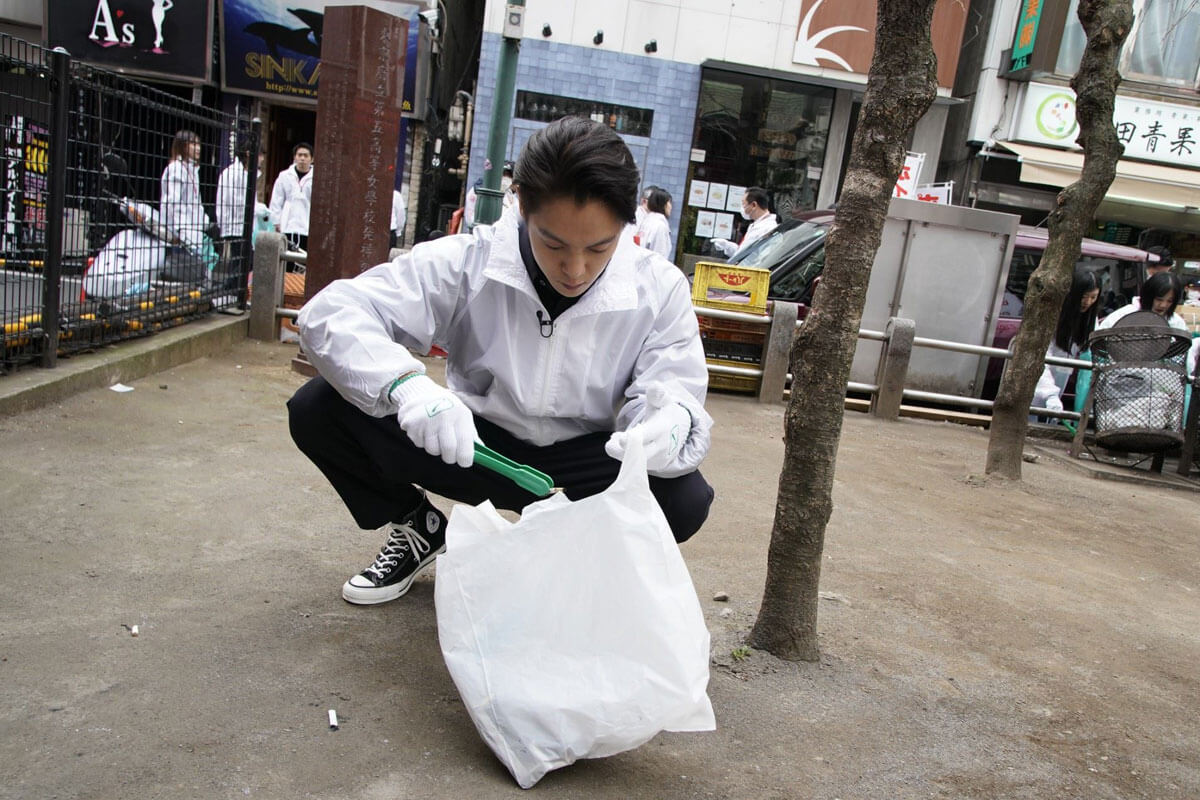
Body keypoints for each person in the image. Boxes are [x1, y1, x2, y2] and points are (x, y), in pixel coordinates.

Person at [288, 116, 714, 606]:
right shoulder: (471, 262)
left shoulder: (657, 287)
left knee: (683, 500)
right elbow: (331, 312)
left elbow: (674, 382)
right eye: (553, 243)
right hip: (475, 446)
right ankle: (418, 526)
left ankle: (574, 568)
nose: (574, 269)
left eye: (599, 247)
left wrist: (667, 423)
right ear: (522, 208)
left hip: (589, 459)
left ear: (626, 223)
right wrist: (409, 387)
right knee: (318, 408)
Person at [1033, 267, 1100, 412]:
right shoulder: (1051, 315)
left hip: (1061, 375)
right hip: (1039, 379)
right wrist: (1050, 393)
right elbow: (1040, 357)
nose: (1088, 302)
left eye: (1093, 297)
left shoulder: (1089, 320)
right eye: (1083, 296)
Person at [159, 129, 215, 283]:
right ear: (183, 146)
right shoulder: (176, 168)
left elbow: (196, 201)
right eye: (193, 144)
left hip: (192, 232)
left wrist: (204, 222)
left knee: (190, 275)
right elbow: (174, 202)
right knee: (180, 276)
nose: (198, 148)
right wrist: (181, 229)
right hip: (181, 234)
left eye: (198, 144)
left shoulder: (192, 170)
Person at [269, 142, 314, 252]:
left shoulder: (316, 177)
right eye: (299, 155)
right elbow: (277, 200)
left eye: (306, 155)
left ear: (312, 159)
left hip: (307, 226)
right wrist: (276, 221)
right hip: (287, 224)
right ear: (294, 157)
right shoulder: (284, 176)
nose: (302, 158)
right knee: (287, 257)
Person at [710, 187, 778, 258]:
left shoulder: (768, 228)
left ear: (754, 205)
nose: (742, 208)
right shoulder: (757, 224)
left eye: (743, 204)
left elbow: (757, 259)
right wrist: (727, 246)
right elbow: (743, 252)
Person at [635, 187, 673, 260]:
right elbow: (659, 257)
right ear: (664, 204)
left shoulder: (647, 221)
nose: (670, 207)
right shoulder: (660, 226)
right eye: (669, 202)